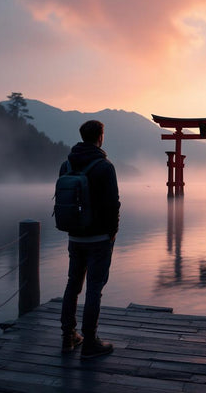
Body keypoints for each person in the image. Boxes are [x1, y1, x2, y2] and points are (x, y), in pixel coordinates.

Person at [59, 120, 120, 359]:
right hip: (99, 238)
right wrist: (112, 232)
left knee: (72, 285)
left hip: (75, 235)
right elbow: (113, 203)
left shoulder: (66, 164)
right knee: (94, 288)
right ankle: (90, 341)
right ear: (100, 136)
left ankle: (68, 336)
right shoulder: (105, 166)